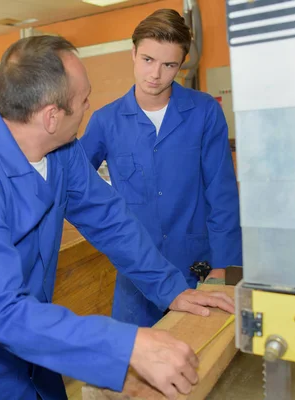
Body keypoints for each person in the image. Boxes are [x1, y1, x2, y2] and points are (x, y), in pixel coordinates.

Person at [0, 35, 233, 400]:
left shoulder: (60, 152)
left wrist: (172, 289)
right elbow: (1, 311)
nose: (88, 107)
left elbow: (111, 220)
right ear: (52, 116)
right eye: (83, 100)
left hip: (40, 345)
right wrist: (125, 346)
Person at [80, 9, 242, 328]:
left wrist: (221, 267)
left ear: (180, 65)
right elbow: (74, 179)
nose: (155, 74)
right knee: (135, 364)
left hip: (197, 265)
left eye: (168, 65)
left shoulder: (204, 112)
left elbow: (221, 192)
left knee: (198, 357)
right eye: (148, 60)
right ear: (133, 53)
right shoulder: (105, 121)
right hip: (137, 270)